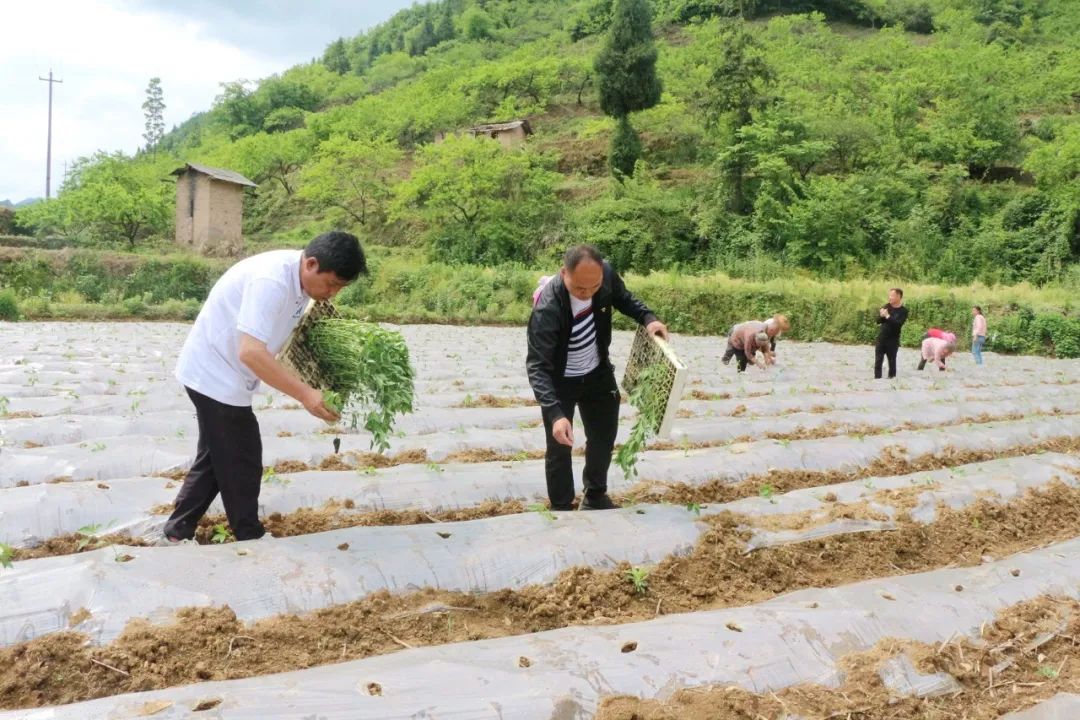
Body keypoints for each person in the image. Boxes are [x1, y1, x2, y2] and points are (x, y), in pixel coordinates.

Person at [161, 231, 367, 544]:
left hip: (225, 373)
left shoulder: (300, 281)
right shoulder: (272, 281)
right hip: (214, 373)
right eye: (332, 284)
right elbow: (251, 351)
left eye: (340, 288)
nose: (333, 293)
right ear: (311, 264)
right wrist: (305, 394)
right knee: (242, 458)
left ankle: (176, 531)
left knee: (216, 456)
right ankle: (249, 536)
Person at [527, 245, 668, 512]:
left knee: (603, 436)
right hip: (561, 380)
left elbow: (625, 299)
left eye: (595, 287)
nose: (589, 293)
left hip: (597, 372)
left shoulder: (606, 276)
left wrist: (649, 319)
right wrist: (555, 414)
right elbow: (537, 367)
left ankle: (595, 494)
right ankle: (561, 506)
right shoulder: (547, 309)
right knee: (559, 446)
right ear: (564, 274)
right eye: (581, 289)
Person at [722, 315, 790, 372]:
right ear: (773, 330)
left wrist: (768, 358)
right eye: (777, 331)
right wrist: (763, 360)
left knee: (750, 362)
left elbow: (764, 347)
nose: (778, 333)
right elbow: (755, 348)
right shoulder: (759, 331)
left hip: (746, 336)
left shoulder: (769, 331)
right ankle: (724, 365)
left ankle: (742, 364)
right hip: (735, 332)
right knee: (729, 355)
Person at [874, 288, 908, 379]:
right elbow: (877, 321)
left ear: (898, 297)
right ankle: (877, 381)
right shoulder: (886, 306)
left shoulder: (903, 311)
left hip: (893, 340)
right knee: (878, 361)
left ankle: (891, 381)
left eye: (892, 296)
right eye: (889, 295)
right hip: (881, 338)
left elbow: (898, 324)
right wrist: (881, 316)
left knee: (892, 362)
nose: (890, 297)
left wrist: (887, 316)